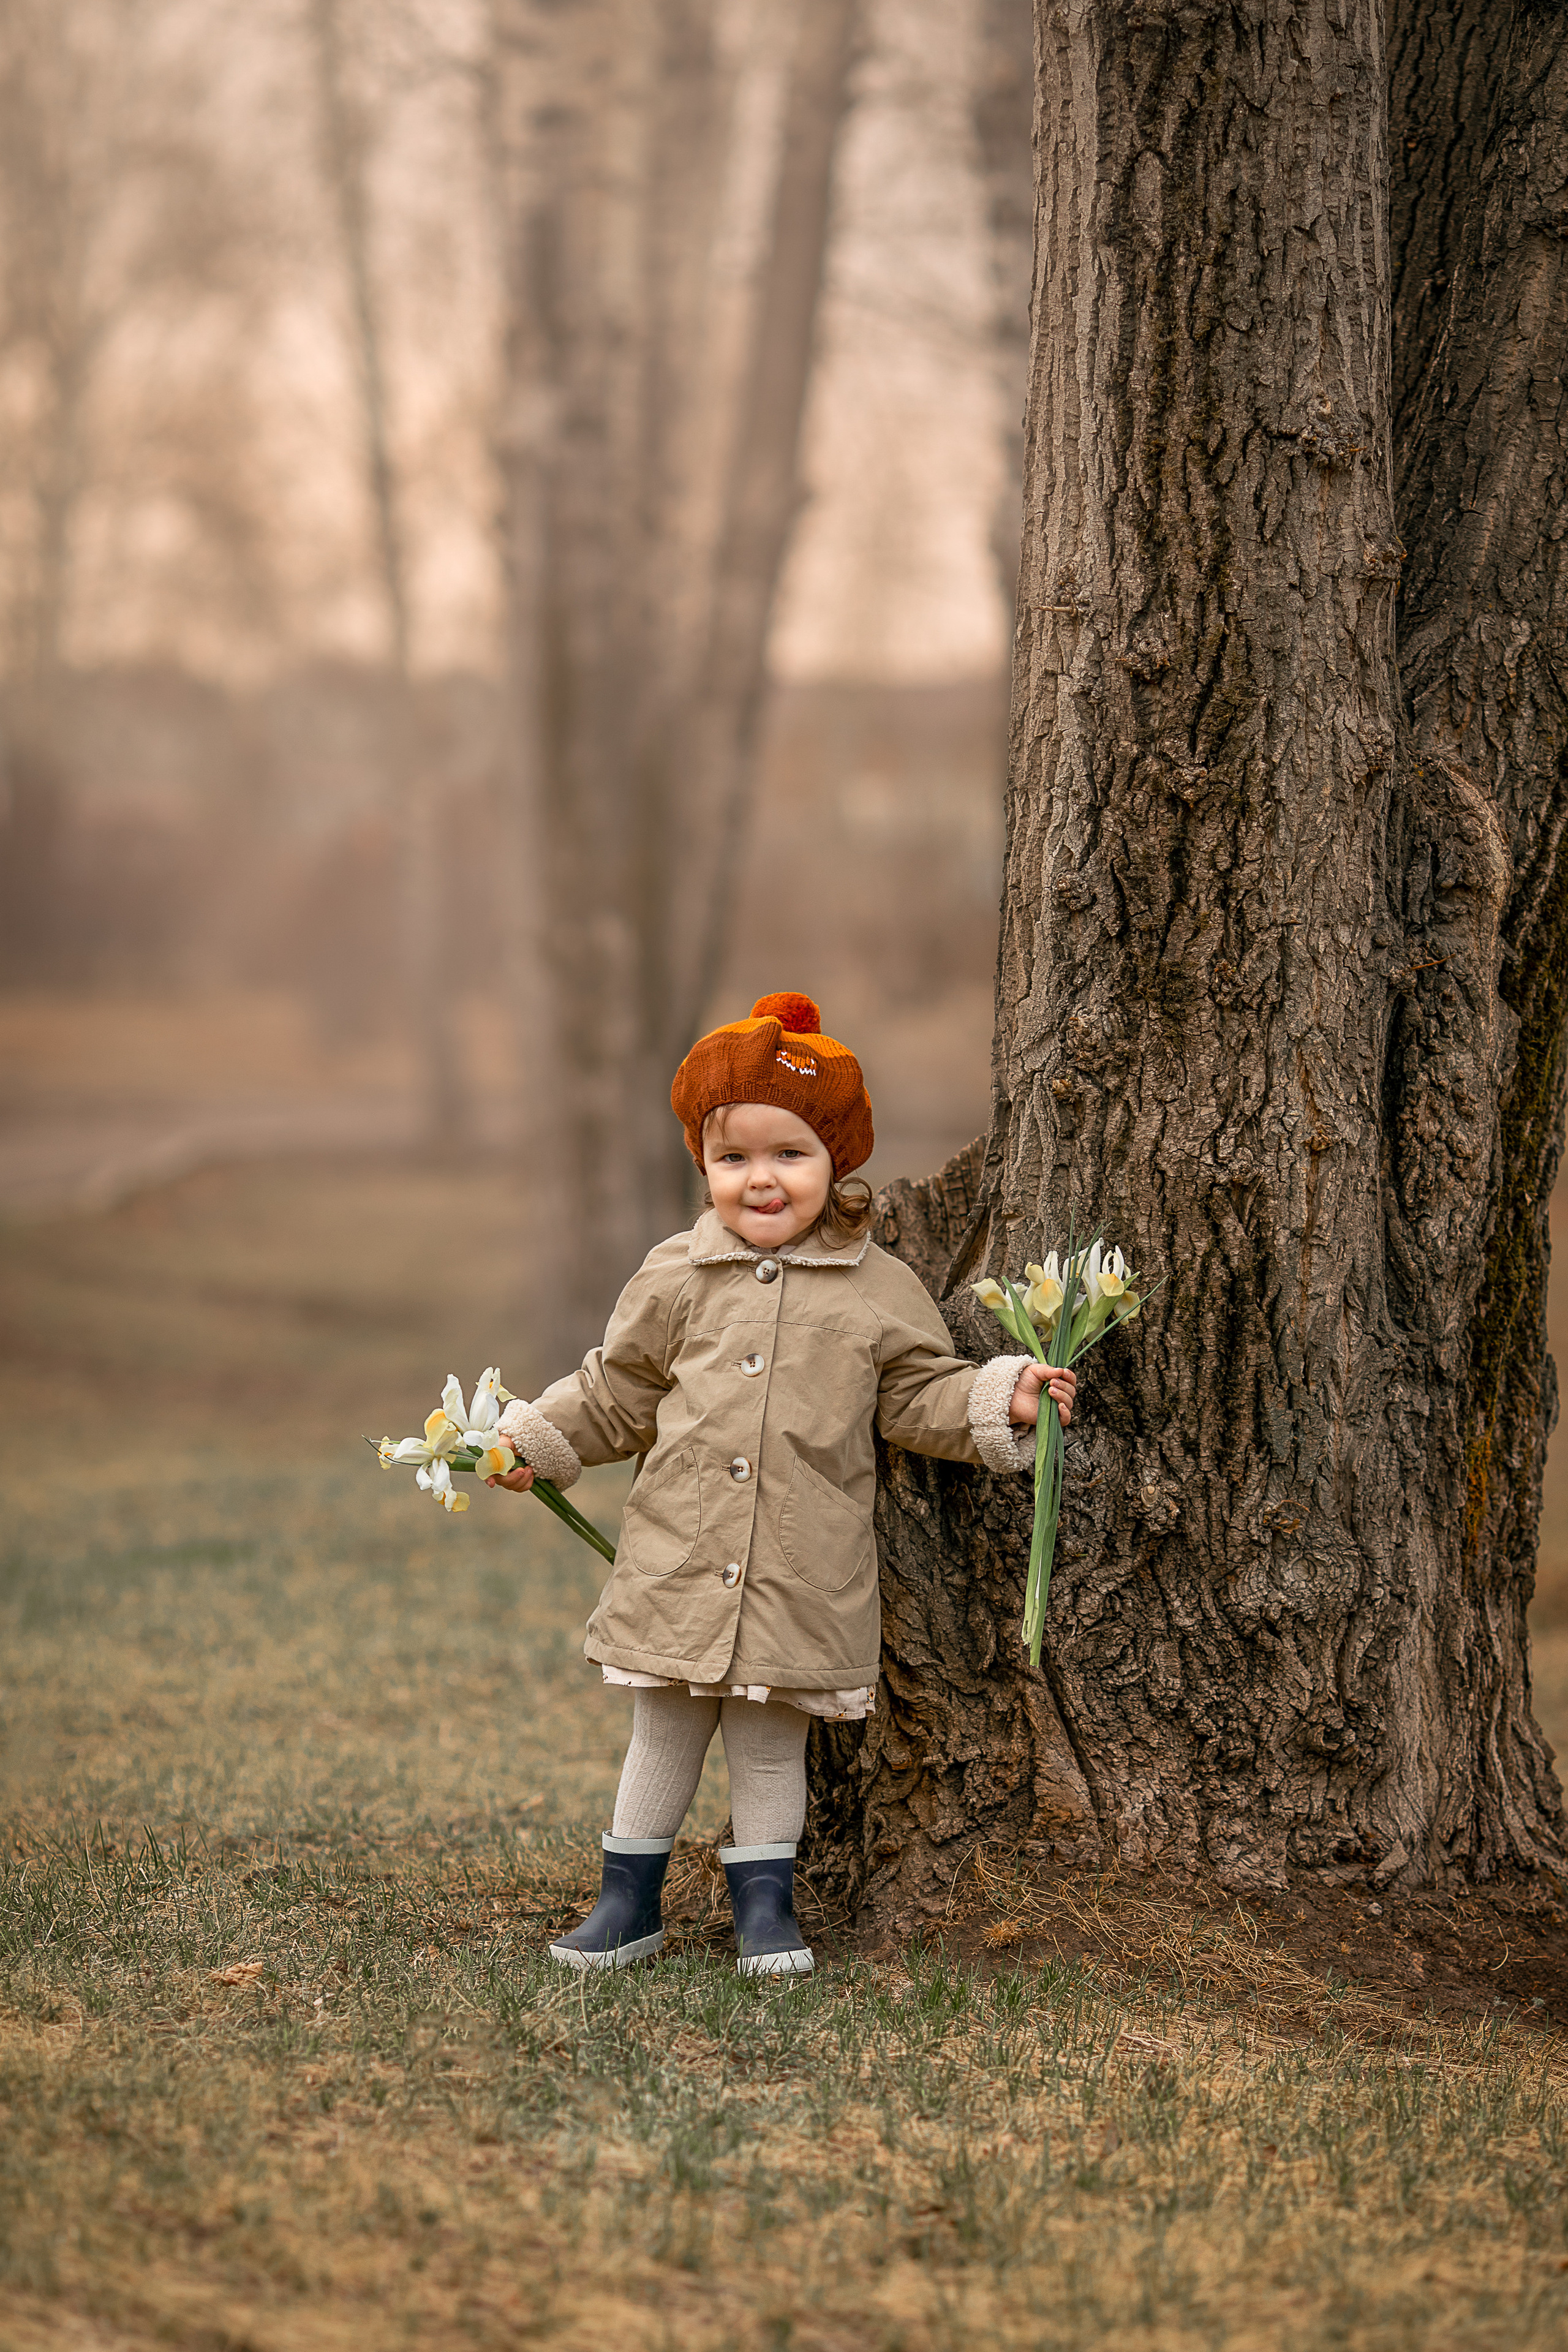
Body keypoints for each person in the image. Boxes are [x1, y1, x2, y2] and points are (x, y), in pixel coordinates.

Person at [488, 992, 1076, 1977]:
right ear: (704, 1164)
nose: (761, 1178)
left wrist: (997, 1396)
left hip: (800, 1571)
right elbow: (617, 1392)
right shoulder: (675, 1275)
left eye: (790, 1154)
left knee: (771, 1746)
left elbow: (915, 1393)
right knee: (663, 1735)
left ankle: (766, 1910)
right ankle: (626, 1906)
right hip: (680, 1561)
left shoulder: (877, 1287)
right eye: (733, 1157)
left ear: (835, 1158)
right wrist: (535, 1440)